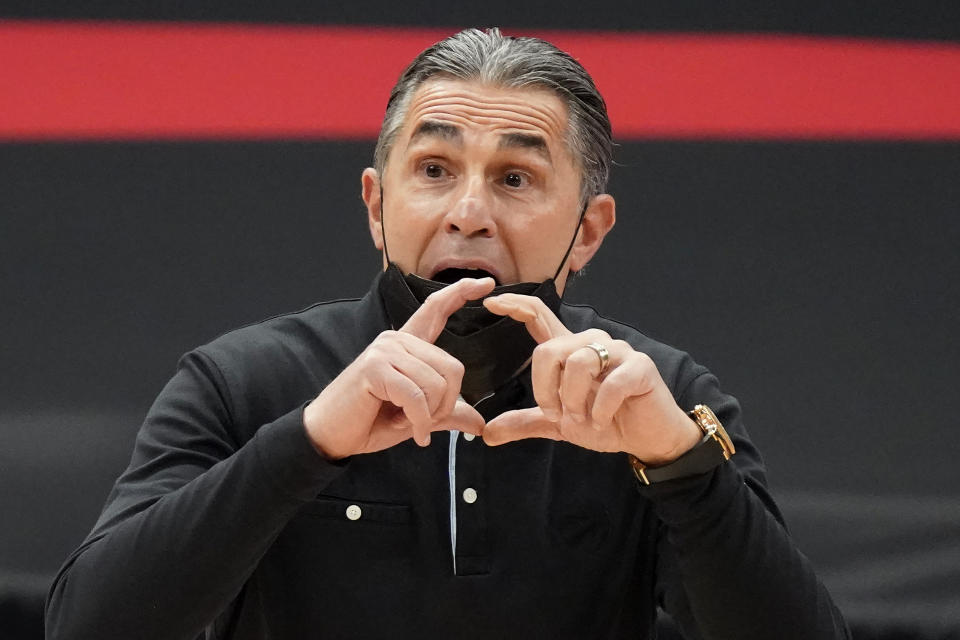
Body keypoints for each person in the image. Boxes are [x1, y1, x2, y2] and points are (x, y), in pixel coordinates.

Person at [45, 28, 849, 639]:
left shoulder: (655, 398)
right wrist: (310, 442)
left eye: (515, 178)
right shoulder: (242, 381)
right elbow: (85, 626)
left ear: (589, 230)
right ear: (375, 204)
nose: (469, 211)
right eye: (434, 170)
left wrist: (679, 467)